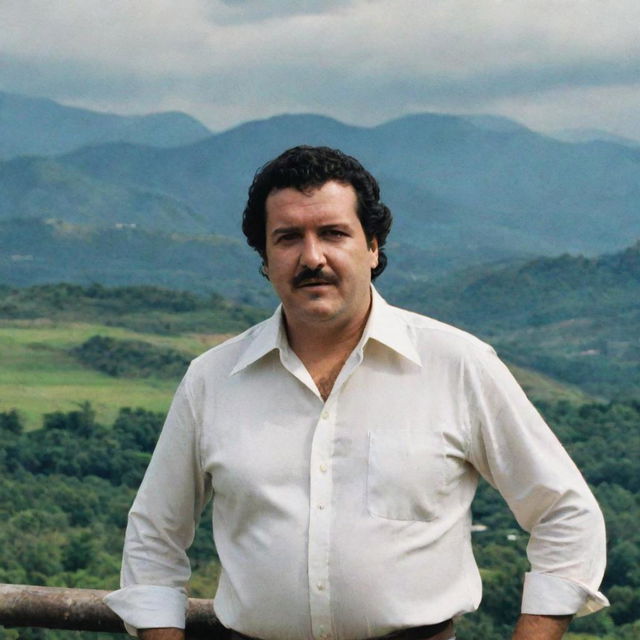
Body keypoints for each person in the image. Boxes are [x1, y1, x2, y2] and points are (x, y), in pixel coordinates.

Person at [104, 146, 608, 640]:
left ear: (372, 246)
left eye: (333, 233)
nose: (312, 257)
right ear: (265, 257)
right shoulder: (212, 379)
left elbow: (565, 513)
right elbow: (154, 537)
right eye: (287, 238)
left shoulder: (457, 365)